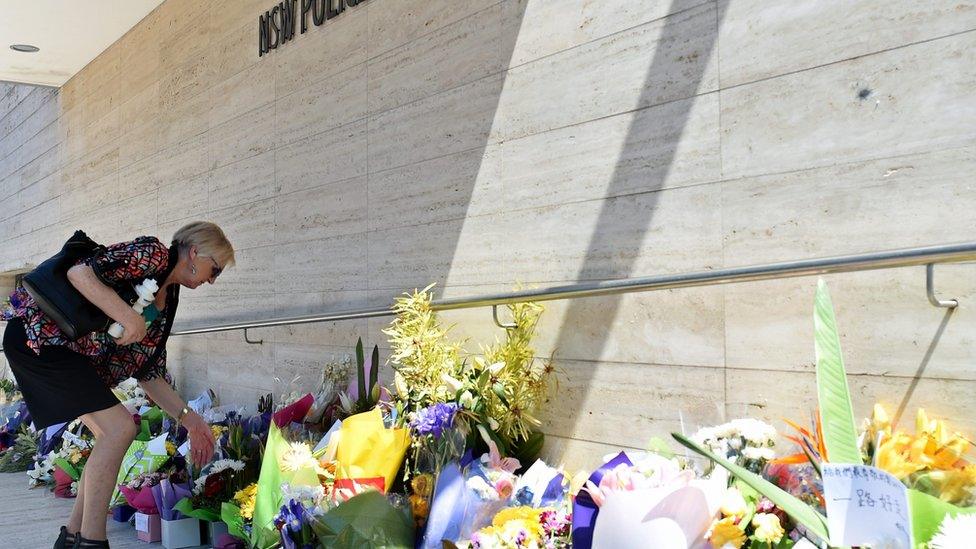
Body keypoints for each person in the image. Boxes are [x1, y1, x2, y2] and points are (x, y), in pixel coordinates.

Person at [2, 221, 235, 549]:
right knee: (119, 429)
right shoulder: (153, 254)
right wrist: (130, 317)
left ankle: (71, 537)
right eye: (215, 270)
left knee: (109, 433)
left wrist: (191, 420)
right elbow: (80, 274)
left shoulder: (166, 302)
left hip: (66, 353)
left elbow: (149, 373)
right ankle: (92, 541)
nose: (211, 280)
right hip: (39, 339)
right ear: (195, 252)